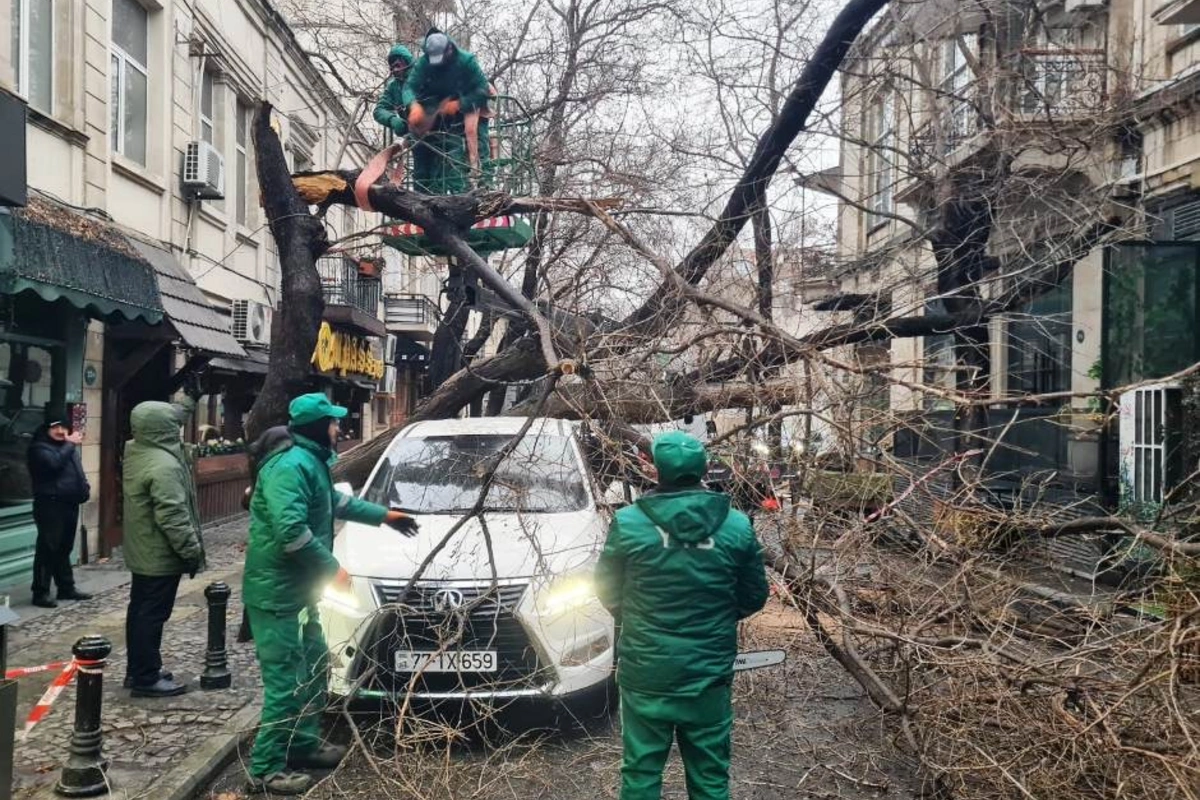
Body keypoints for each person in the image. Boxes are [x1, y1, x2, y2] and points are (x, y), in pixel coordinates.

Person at [243, 393, 419, 796]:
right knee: (286, 680)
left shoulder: (309, 461)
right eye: (334, 422)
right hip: (277, 596)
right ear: (317, 427)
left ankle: (302, 743)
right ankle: (265, 769)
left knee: (315, 667)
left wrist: (385, 517)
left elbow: (335, 502)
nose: (340, 428)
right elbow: (292, 532)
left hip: (297, 594)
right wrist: (333, 570)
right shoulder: (289, 466)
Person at [595, 431, 769, 800]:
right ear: (704, 468)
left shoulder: (628, 522)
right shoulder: (737, 525)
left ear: (656, 470)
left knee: (641, 772)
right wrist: (718, 616)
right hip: (706, 675)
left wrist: (638, 619)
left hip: (646, 671)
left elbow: (607, 590)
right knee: (710, 776)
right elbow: (755, 596)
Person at [121, 400, 205, 697]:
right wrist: (191, 552)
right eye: (174, 426)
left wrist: (188, 402)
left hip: (142, 550)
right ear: (164, 430)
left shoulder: (138, 450)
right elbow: (173, 516)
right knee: (153, 615)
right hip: (159, 553)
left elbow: (167, 418)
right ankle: (146, 678)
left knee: (140, 611)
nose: (179, 430)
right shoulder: (164, 465)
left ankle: (139, 669)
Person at [401, 29, 491, 193]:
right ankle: (423, 198)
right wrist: (413, 105)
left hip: (460, 116)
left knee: (456, 160)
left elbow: (483, 91)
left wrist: (459, 104)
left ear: (449, 49)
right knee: (423, 159)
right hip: (432, 115)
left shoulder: (467, 61)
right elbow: (409, 87)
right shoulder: (424, 62)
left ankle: (471, 194)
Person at [27, 411, 91, 608]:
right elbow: (53, 464)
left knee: (64, 547)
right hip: (50, 504)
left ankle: (66, 587)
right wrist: (70, 443)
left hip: (69, 504)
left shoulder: (67, 448)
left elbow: (76, 470)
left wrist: (84, 487)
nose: (60, 431)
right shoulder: (39, 448)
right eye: (55, 427)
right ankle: (40, 592)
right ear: (47, 430)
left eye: (63, 427)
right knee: (47, 548)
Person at [373, 43, 416, 139]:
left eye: (397, 65)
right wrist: (392, 119)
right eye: (392, 68)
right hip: (417, 138)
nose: (395, 69)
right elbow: (379, 110)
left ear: (406, 62)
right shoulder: (393, 87)